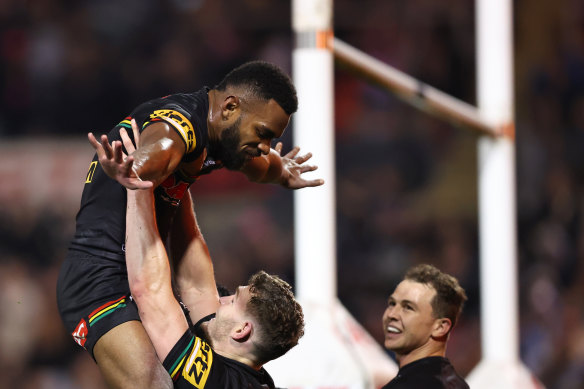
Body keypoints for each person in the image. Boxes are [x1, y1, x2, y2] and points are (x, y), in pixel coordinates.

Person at [56, 60, 322, 389]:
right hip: (99, 278)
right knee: (150, 379)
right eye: (264, 134)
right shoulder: (177, 128)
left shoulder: (227, 135)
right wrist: (136, 173)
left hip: (144, 268)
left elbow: (260, 166)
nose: (266, 147)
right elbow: (156, 153)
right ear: (230, 107)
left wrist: (281, 173)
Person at [125, 168, 305, 388]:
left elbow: (148, 292)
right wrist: (181, 177)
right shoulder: (248, 372)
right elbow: (197, 286)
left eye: (232, 300)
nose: (221, 299)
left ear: (241, 330)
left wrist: (137, 186)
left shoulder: (216, 382)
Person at [381, 264, 470, 389]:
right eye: (392, 303)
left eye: (408, 307)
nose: (391, 314)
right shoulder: (456, 383)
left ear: (440, 327)